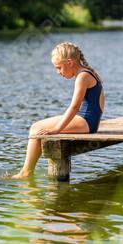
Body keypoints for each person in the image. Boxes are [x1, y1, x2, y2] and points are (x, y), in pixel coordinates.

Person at [12, 42, 104, 179]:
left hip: (86, 122)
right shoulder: (86, 73)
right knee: (37, 127)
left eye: (59, 67)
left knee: (36, 128)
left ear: (69, 62)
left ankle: (26, 172)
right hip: (88, 120)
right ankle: (27, 171)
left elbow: (74, 107)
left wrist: (57, 129)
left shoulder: (82, 76)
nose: (58, 72)